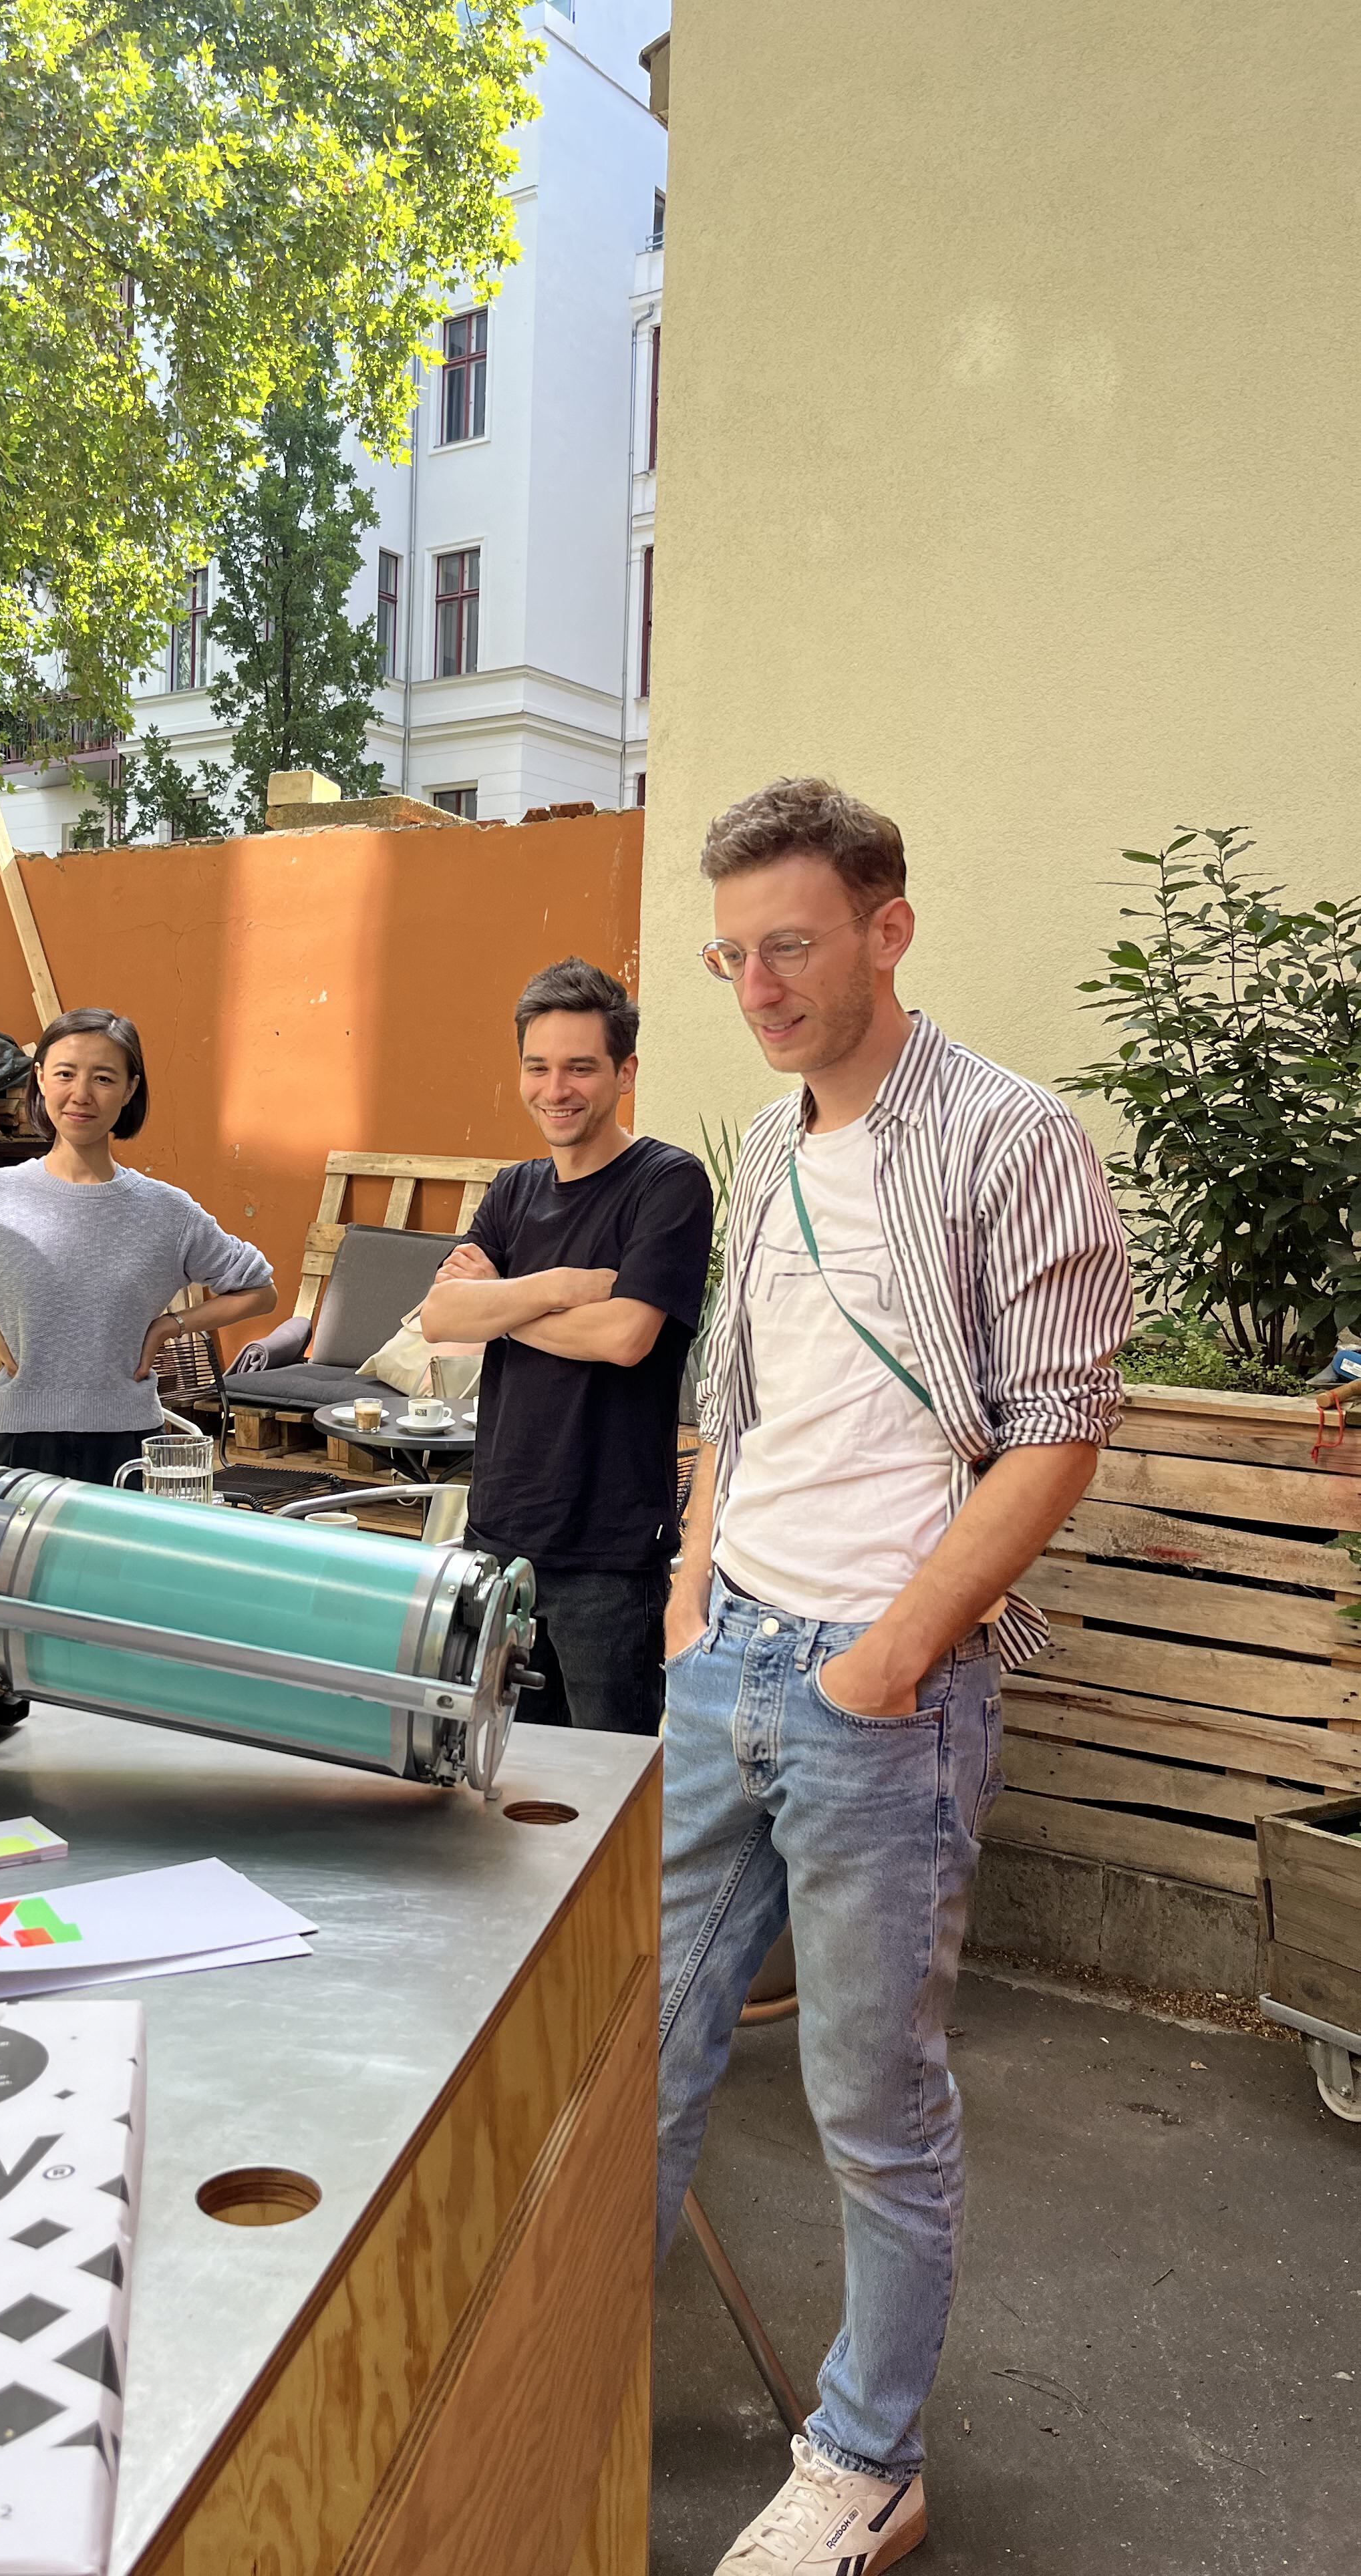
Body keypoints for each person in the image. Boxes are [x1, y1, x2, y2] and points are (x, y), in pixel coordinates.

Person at [654, 780, 1132, 2574]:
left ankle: (867, 2456)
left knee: (870, 2101)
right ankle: (556, 2359)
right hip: (733, 1658)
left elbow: (1063, 1429)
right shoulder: (769, 1149)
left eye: (791, 944)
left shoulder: (1013, 1138)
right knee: (648, 2048)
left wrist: (889, 1656)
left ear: (886, 929)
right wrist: (701, 1591)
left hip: (886, 1698)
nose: (760, 984)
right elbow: (735, 1392)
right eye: (734, 953)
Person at [418, 957, 712, 1735]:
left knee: (608, 1795)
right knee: (496, 1774)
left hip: (608, 1557)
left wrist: (501, 1300)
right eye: (538, 1067)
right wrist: (556, 1287)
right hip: (497, 1538)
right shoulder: (514, 1189)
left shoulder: (667, 1183)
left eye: (581, 1067)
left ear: (626, 1071)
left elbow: (625, 1336)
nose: (557, 1089)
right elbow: (442, 1316)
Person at [0, 1005, 275, 1485]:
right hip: (17, 1442)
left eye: (103, 1078)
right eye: (65, 1074)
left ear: (130, 1090)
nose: (81, 1095)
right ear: (40, 1080)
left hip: (127, 1445)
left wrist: (170, 1326)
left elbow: (259, 1291)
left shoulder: (167, 1212)